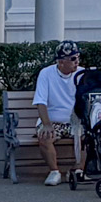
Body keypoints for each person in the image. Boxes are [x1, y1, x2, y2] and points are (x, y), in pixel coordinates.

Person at [29, 41, 86, 186]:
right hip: (53, 120)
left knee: (89, 137)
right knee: (45, 136)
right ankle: (54, 171)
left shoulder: (82, 74)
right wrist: (47, 124)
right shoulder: (46, 73)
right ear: (61, 62)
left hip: (75, 120)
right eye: (73, 59)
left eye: (77, 57)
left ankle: (78, 169)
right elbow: (41, 102)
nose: (77, 62)